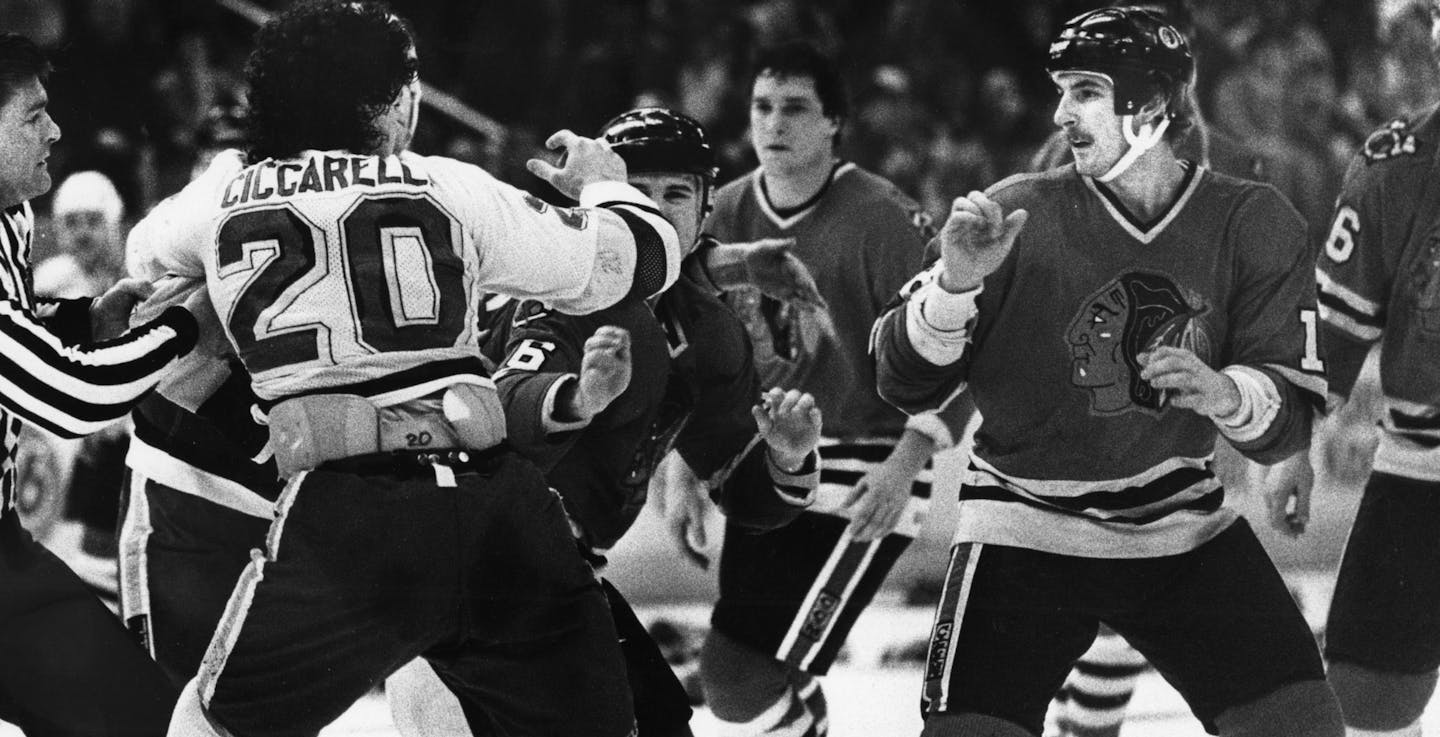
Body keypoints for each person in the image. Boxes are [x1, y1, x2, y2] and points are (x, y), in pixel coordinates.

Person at [125, 2, 682, 735]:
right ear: (389, 103)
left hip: (348, 517)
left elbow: (141, 257)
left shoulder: (219, 198)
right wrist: (605, 183)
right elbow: (639, 261)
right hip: (498, 509)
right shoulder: (451, 186)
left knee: (206, 724)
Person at [871, 8, 1342, 737]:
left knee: (1303, 727)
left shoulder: (1253, 222)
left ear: (1151, 106)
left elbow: (1283, 418)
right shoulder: (1013, 211)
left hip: (1177, 529)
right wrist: (954, 286)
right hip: (1023, 530)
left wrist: (1224, 392)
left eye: (1086, 91)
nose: (1063, 112)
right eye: (1062, 90)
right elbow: (902, 378)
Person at [387, 106, 826, 737]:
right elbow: (494, 407)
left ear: (704, 210)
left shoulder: (707, 332)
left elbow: (744, 489)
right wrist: (576, 398)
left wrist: (787, 458)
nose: (657, 210)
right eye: (635, 192)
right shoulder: (564, 286)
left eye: (677, 194)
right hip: (469, 577)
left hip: (557, 580)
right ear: (601, 202)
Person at [687, 41, 965, 737]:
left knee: (735, 677)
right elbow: (691, 351)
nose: (773, 123)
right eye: (762, 106)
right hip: (768, 461)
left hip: (866, 465)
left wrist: (906, 467)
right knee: (766, 674)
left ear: (834, 121)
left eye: (795, 108)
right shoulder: (720, 215)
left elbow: (966, 350)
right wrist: (681, 469)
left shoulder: (884, 218)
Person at [0, 32, 208, 736]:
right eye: (32, 117)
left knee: (145, 718)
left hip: (4, 548)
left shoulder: (13, 216)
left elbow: (16, 325)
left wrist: (88, 317)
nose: (55, 131)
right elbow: (72, 396)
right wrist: (183, 327)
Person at [1310, 2, 1440, 734]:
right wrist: (1288, 442)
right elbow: (1335, 331)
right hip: (1421, 468)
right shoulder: (1396, 163)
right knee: (1366, 703)